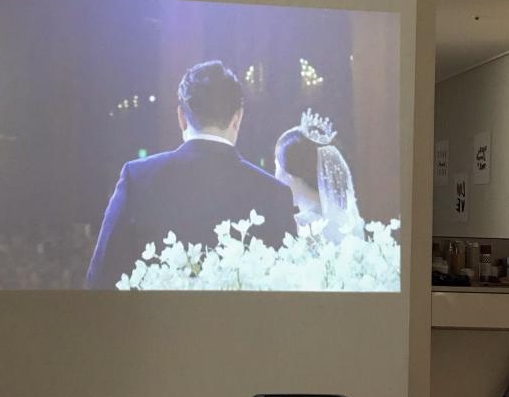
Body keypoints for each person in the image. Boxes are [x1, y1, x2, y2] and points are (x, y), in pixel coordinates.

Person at [87, 61, 296, 289]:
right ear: (237, 119)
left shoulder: (138, 178)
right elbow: (289, 290)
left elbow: (101, 279)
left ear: (182, 117)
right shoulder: (275, 194)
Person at [275, 109, 364, 243]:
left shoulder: (301, 226)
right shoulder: (347, 221)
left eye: (276, 166)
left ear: (292, 175)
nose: (275, 176)